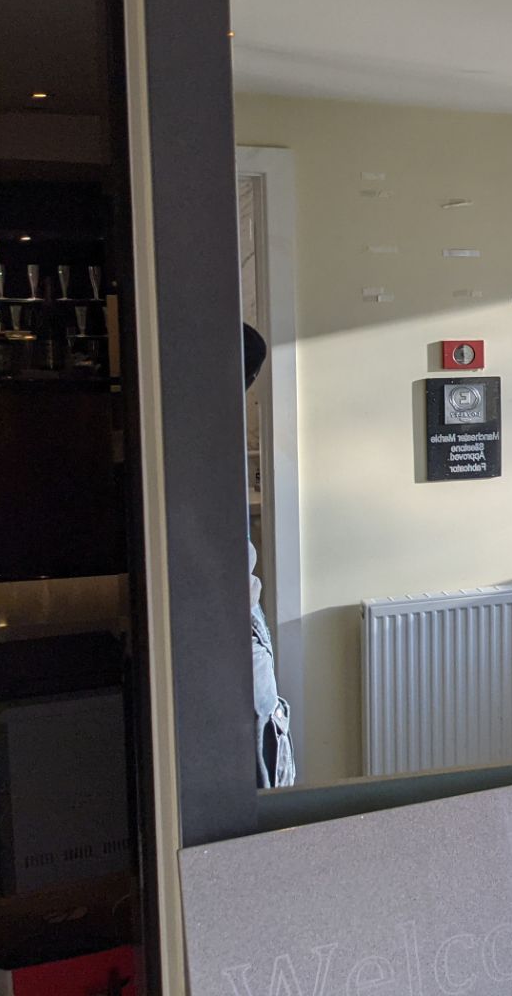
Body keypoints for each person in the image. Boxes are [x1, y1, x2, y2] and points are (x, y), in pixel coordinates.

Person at [245, 323, 296, 787]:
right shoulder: (204, 437)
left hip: (242, 619)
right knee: (266, 764)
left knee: (266, 757)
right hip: (241, 622)